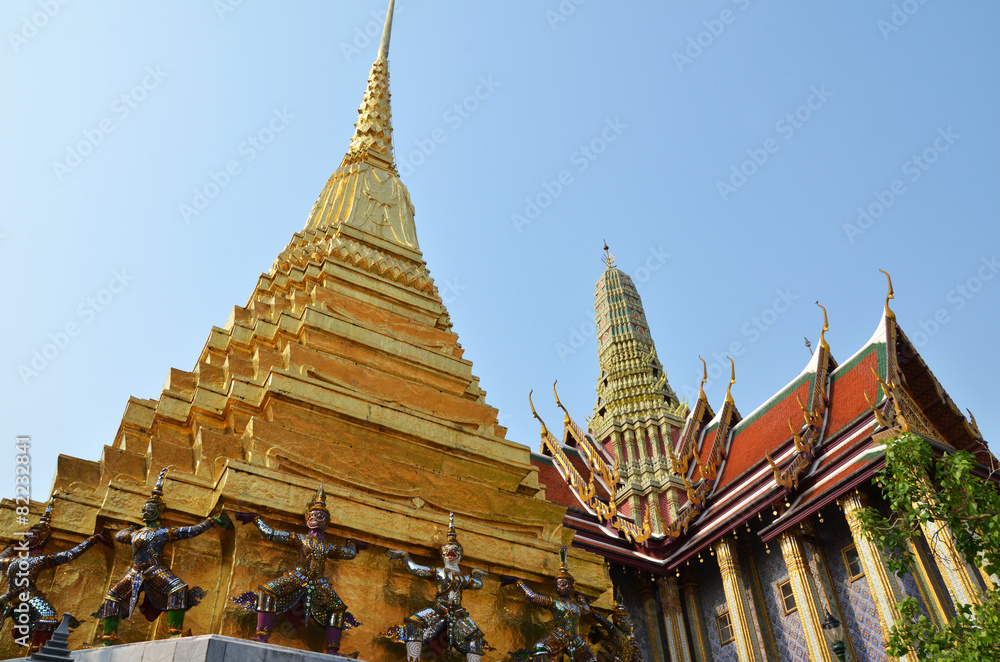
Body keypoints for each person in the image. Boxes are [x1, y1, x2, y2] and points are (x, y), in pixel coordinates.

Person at [94, 468, 233, 644]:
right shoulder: (135, 533)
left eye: (150, 509)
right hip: (135, 571)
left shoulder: (162, 532)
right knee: (112, 596)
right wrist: (130, 528)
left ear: (160, 512)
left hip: (156, 569)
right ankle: (108, 638)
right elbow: (119, 536)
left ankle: (174, 632)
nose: (145, 511)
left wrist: (210, 522)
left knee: (178, 588)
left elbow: (189, 531)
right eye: (144, 508)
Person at [233, 486, 364, 655]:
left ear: (327, 522)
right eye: (315, 515)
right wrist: (257, 519)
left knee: (338, 608)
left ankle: (333, 650)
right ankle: (262, 635)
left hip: (319, 582)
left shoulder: (328, 546)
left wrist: (352, 543)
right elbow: (271, 534)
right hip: (298, 576)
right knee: (268, 591)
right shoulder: (299, 538)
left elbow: (349, 554)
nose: (318, 518)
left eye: (322, 517)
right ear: (307, 518)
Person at [0, 500, 111, 654]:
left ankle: (38, 649)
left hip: (28, 595)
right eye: (27, 535)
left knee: (48, 616)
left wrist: (92, 540)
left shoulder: (38, 560)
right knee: (47, 616)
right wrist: (11, 547)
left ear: (41, 539)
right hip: (14, 596)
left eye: (32, 535)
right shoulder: (14, 560)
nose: (27, 537)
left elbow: (69, 555)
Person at [384, 513, 490, 662]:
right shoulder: (439, 572)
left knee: (475, 637)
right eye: (447, 550)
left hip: (458, 611)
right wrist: (404, 556)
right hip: (438, 607)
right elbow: (415, 569)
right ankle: (413, 660)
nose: (451, 553)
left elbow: (478, 585)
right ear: (443, 555)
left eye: (455, 550)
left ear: (460, 555)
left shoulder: (464, 578)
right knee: (414, 623)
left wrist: (476, 574)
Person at [503, 546, 596, 662]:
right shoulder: (554, 602)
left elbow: (586, 610)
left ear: (571, 586)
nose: (561, 586)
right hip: (559, 635)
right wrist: (518, 582)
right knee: (540, 647)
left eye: (564, 583)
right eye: (559, 584)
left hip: (574, 638)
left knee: (591, 659)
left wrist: (581, 598)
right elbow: (533, 597)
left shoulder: (577, 607)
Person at [588, 591, 643, 662]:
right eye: (626, 620)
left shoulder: (628, 642)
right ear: (619, 622)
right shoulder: (619, 637)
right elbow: (609, 626)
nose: (630, 623)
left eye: (629, 620)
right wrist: (595, 614)